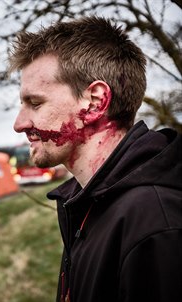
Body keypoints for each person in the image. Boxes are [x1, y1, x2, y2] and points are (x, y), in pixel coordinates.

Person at [9, 16, 182, 302]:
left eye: (35, 103)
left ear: (95, 102)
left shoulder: (156, 225)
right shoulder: (89, 202)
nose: (19, 123)